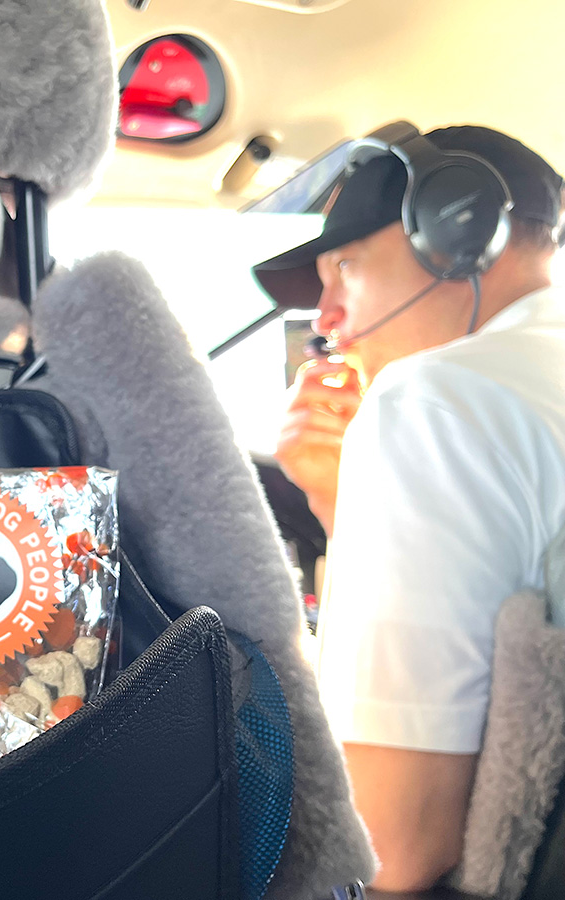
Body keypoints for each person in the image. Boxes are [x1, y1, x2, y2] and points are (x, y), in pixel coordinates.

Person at [253, 125, 565, 891]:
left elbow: (390, 843)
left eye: (345, 270)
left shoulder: (436, 400)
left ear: (456, 230)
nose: (325, 318)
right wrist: (338, 506)